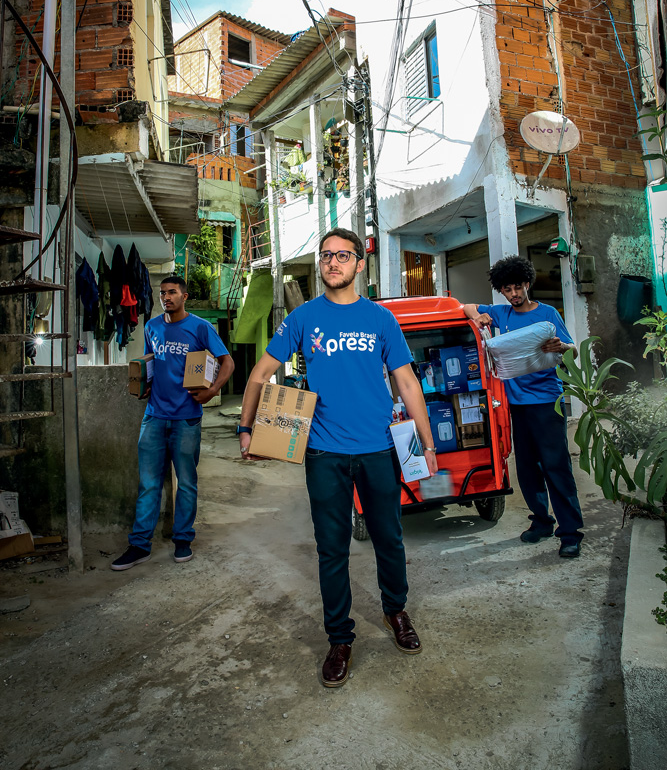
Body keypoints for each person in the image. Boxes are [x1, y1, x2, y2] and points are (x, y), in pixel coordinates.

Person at [238, 229, 437, 688]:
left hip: (379, 449)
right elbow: (261, 373)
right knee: (332, 548)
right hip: (324, 453)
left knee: (389, 538)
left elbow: (406, 383)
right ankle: (340, 639)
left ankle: (395, 612)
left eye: (342, 255)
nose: (332, 263)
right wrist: (247, 428)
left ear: (359, 262)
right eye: (326, 256)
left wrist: (425, 444)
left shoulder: (381, 318)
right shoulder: (303, 318)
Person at [462, 255, 583, 559]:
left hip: (547, 402)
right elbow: (466, 307)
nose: (514, 294)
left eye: (518, 287)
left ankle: (570, 533)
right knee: (528, 468)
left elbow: (573, 350)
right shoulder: (501, 314)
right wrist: (477, 316)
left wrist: (562, 347)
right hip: (516, 405)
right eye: (507, 289)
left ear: (528, 284)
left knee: (556, 468)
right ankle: (542, 521)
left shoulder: (548, 314)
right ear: (501, 291)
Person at [111, 275, 234, 570]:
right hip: (154, 417)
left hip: (187, 418)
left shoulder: (200, 327)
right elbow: (152, 359)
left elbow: (227, 361)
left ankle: (183, 540)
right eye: (163, 292)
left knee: (187, 484)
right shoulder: (152, 326)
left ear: (185, 296)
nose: (167, 297)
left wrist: (213, 390)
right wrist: (144, 382)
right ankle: (139, 545)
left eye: (172, 292)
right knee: (149, 485)